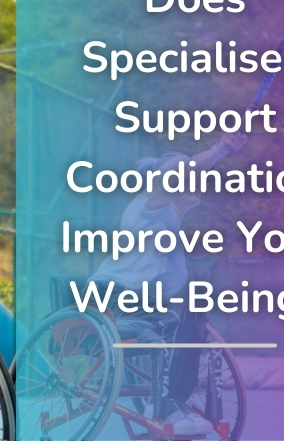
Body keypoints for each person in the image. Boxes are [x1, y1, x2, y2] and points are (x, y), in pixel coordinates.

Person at [89, 132, 246, 437]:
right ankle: (163, 403)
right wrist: (219, 150)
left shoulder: (169, 224)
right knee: (182, 306)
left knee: (194, 303)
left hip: (142, 305)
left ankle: (177, 400)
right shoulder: (147, 208)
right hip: (115, 302)